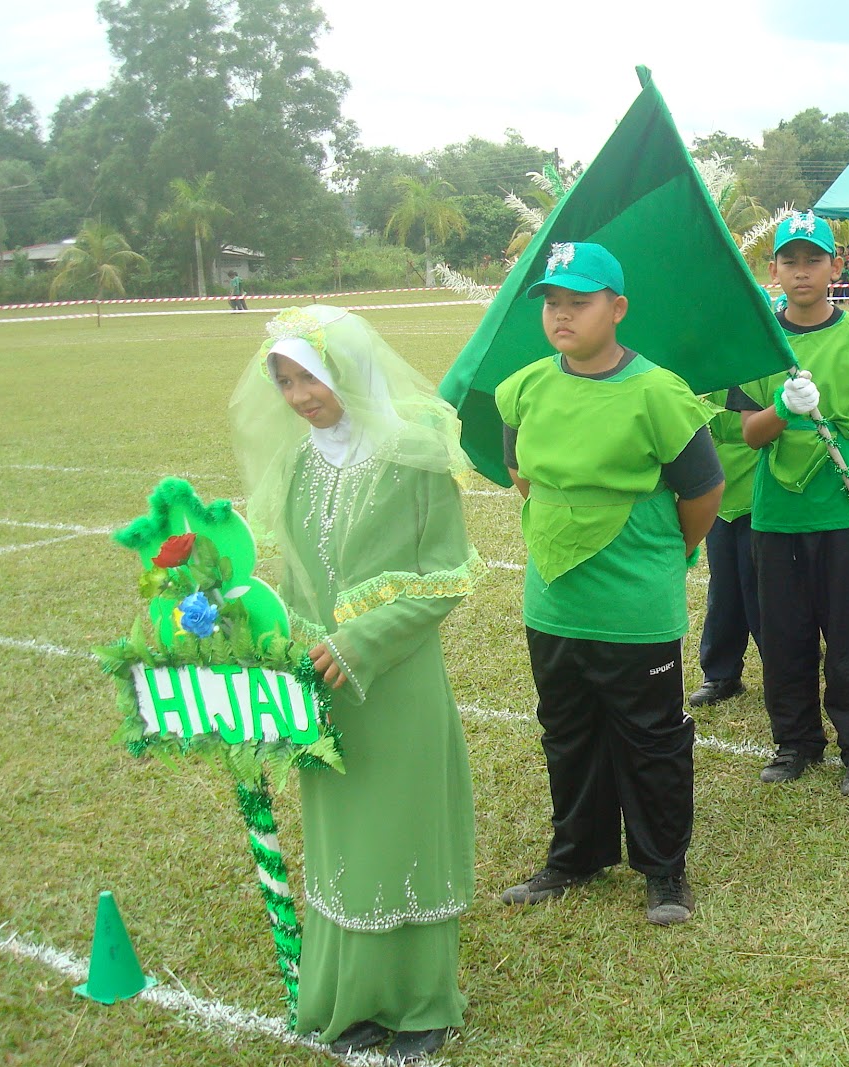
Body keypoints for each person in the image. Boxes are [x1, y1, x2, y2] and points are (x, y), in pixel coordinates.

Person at [231, 305, 482, 1061]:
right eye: (286, 380)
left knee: (403, 832)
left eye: (311, 375)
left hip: (396, 684)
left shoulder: (415, 453)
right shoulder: (298, 465)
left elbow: (447, 579)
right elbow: (291, 582)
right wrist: (268, 651)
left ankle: (422, 1005)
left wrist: (362, 639)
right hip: (321, 690)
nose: (302, 395)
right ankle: (353, 998)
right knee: (342, 841)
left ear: (348, 368)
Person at [495, 242, 722, 927]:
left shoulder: (658, 393)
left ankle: (663, 868)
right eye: (553, 303)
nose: (562, 315)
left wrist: (660, 555)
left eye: (580, 301)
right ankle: (576, 855)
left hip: (635, 606)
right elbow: (522, 475)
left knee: (651, 737)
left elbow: (703, 492)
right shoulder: (525, 387)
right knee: (566, 731)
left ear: (616, 308)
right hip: (555, 599)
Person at [726, 211, 849, 798]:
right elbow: (748, 434)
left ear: (836, 265)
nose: (801, 272)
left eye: (813, 260)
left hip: (843, 514)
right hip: (777, 515)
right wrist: (782, 408)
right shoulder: (756, 343)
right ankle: (796, 741)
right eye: (790, 261)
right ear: (773, 268)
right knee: (784, 636)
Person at [689, 388, 762, 707]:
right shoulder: (705, 367)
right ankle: (720, 673)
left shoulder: (765, 359)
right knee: (725, 585)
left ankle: (784, 668)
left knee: (763, 586)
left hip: (766, 481)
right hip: (719, 487)